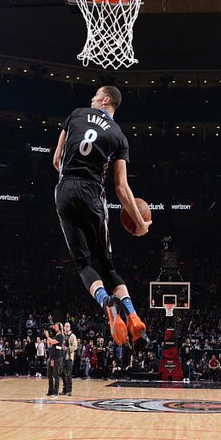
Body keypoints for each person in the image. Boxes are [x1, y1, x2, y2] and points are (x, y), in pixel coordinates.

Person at [52, 85, 152, 351]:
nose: (92, 98)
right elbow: (121, 187)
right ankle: (132, 315)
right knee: (108, 268)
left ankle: (105, 303)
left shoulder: (75, 115)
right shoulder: (119, 136)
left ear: (106, 100)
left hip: (65, 190)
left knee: (84, 265)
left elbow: (56, 159)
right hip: (93, 194)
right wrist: (140, 224)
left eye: (95, 95)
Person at [44, 323, 64, 397]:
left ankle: (56, 392)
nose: (54, 327)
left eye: (56, 326)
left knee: (56, 375)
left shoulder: (60, 336)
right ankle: (50, 391)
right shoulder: (55, 336)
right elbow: (49, 344)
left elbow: (52, 342)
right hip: (51, 357)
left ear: (59, 327)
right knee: (49, 375)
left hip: (57, 357)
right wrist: (48, 338)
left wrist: (48, 336)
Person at [61, 322, 78, 396]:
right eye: (65, 326)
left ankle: (69, 390)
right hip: (62, 357)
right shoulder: (62, 335)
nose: (67, 328)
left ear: (70, 328)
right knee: (62, 374)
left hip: (69, 357)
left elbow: (75, 346)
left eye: (68, 326)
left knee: (68, 374)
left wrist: (67, 349)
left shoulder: (72, 336)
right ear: (64, 327)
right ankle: (64, 389)